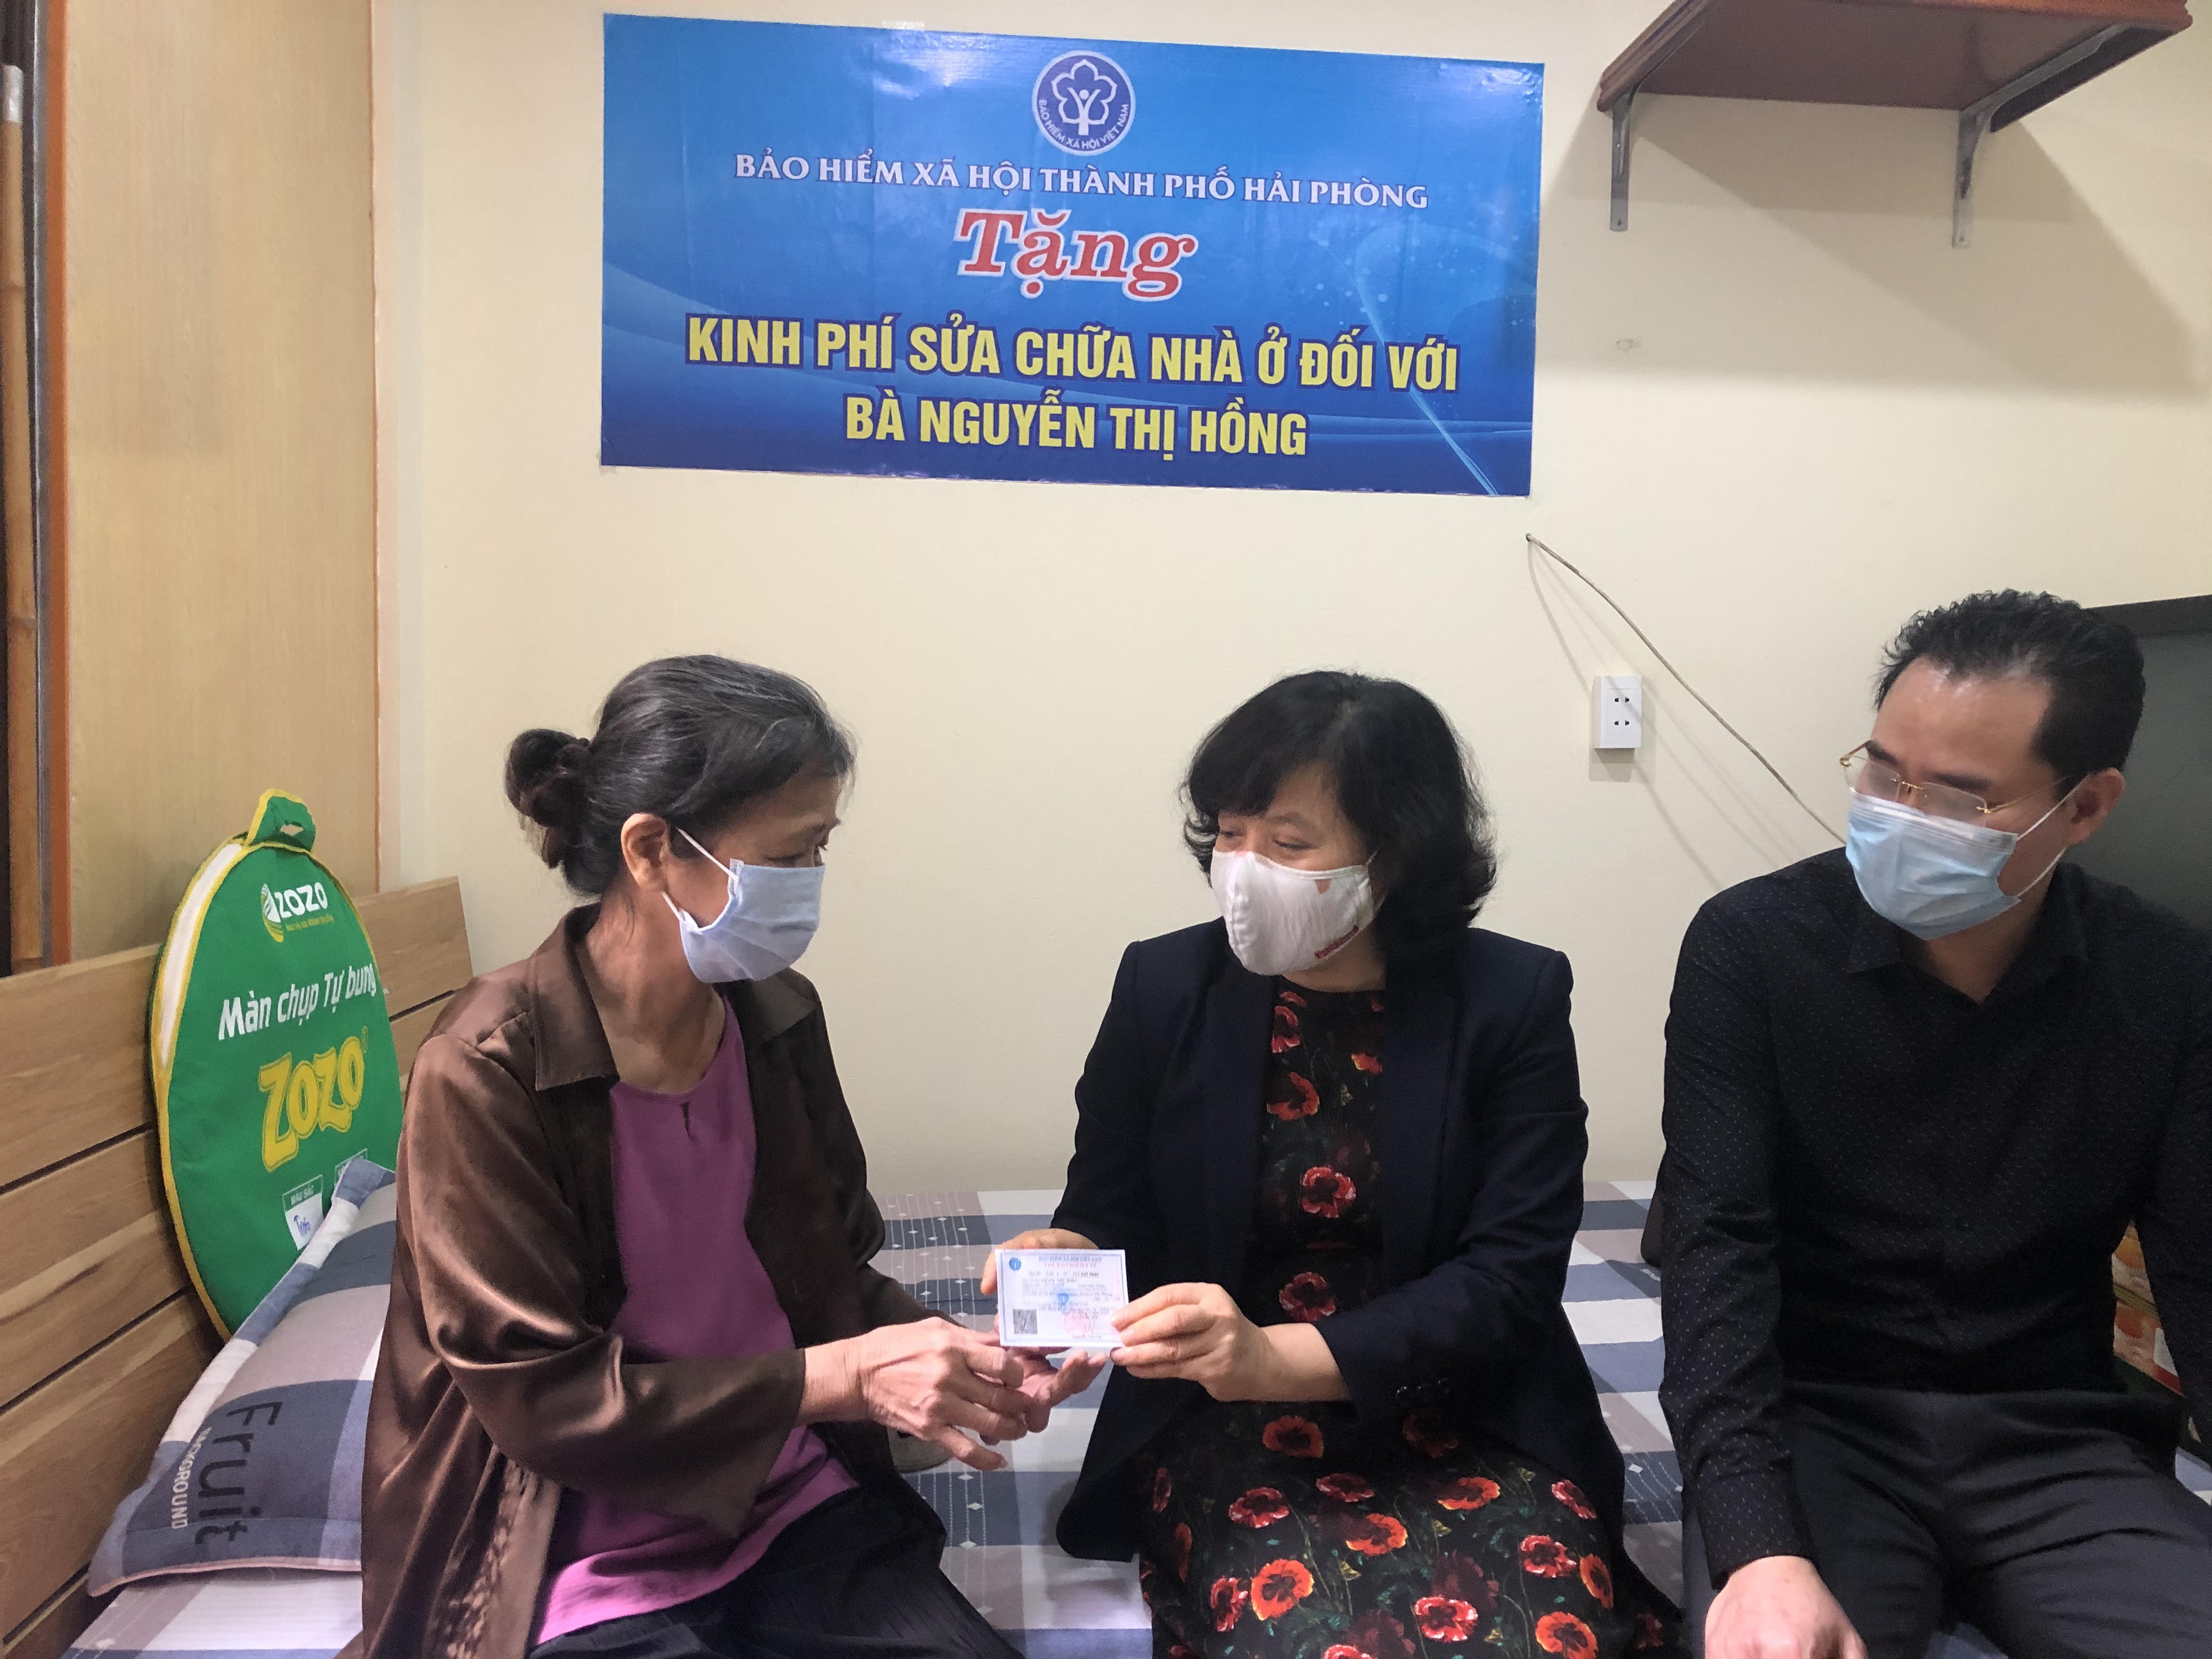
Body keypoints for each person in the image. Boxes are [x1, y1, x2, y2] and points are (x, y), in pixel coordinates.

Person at [351, 657, 1100, 1659]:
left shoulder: (777, 1017)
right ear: (652, 849)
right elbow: (543, 1400)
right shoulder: (485, 1069)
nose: (811, 884)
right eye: (789, 855)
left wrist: (960, 1363)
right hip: (573, 1543)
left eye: (821, 848)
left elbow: (830, 1280)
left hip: (784, 1498)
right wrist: (845, 1378)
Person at [986, 671, 1680, 1658]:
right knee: (1314, 1634)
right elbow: (1110, 1211)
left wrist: (1275, 1355)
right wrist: (1066, 1253)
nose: (1242, 869)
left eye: (1288, 842)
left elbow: (1508, 1283)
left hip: (1465, 1401)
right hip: (1226, 1411)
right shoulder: (1163, 985)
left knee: (1547, 1637)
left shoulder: (1511, 996)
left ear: (1394, 853)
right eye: (1230, 834)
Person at [1659, 591, 2212, 1659]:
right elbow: (1713, 1247)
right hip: (1816, 1422)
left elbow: (2200, 1270)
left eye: (1959, 797)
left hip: (2056, 1439)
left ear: (2086, 808)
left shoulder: (2169, 979)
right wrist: (1758, 1549)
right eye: (1882, 775)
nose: (1902, 815)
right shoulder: (1753, 946)